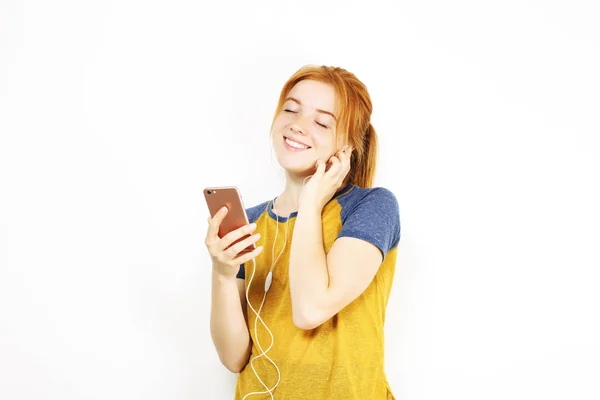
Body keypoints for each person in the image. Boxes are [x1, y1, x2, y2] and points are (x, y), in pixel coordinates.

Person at [204, 65, 401, 400]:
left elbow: (310, 310)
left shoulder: (371, 207)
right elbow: (234, 357)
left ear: (349, 146)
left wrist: (310, 203)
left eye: (322, 122)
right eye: (291, 109)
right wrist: (223, 273)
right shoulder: (249, 224)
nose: (297, 124)